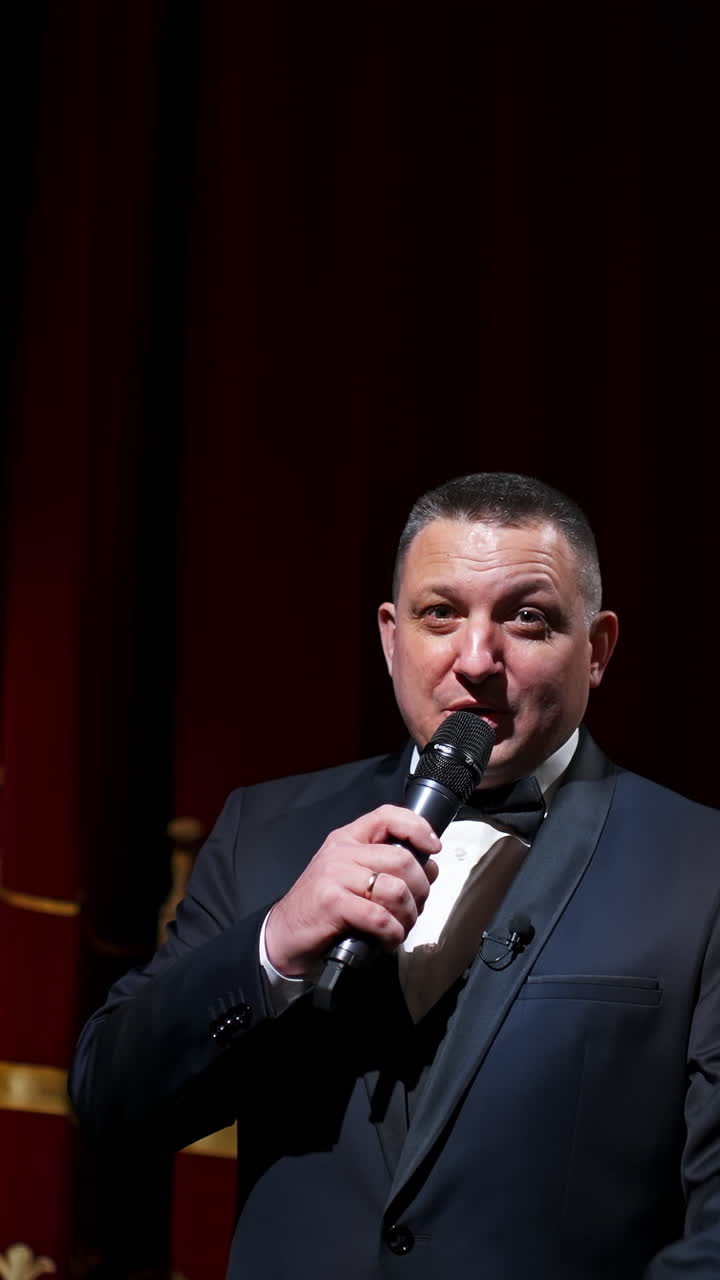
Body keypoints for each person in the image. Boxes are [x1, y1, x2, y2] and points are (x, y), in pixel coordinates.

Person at [70, 472, 720, 1279]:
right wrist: (275, 944)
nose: (476, 659)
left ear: (598, 650)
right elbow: (111, 1104)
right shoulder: (261, 832)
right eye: (439, 613)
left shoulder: (702, 867)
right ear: (389, 637)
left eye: (527, 618)